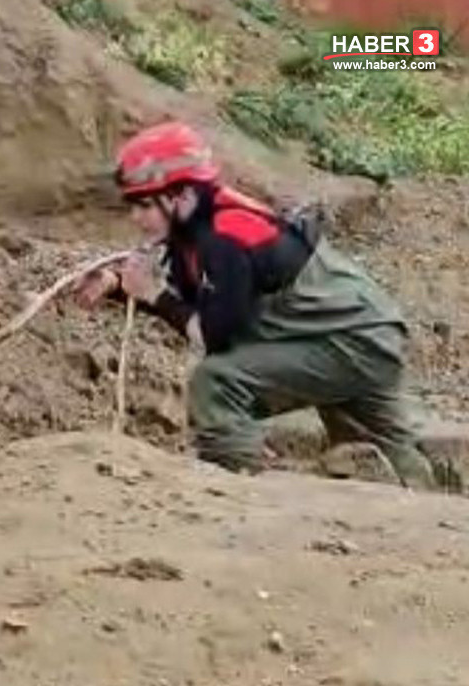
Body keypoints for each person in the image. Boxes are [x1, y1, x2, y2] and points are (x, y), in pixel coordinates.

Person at [75, 120, 437, 490]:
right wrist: (120, 287)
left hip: (348, 344)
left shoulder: (224, 237)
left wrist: (153, 295)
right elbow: (196, 302)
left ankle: (238, 489)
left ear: (181, 196)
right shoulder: (205, 223)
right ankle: (429, 507)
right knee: (382, 445)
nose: (136, 217)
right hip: (363, 336)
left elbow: (215, 336)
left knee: (216, 381)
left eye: (144, 205)